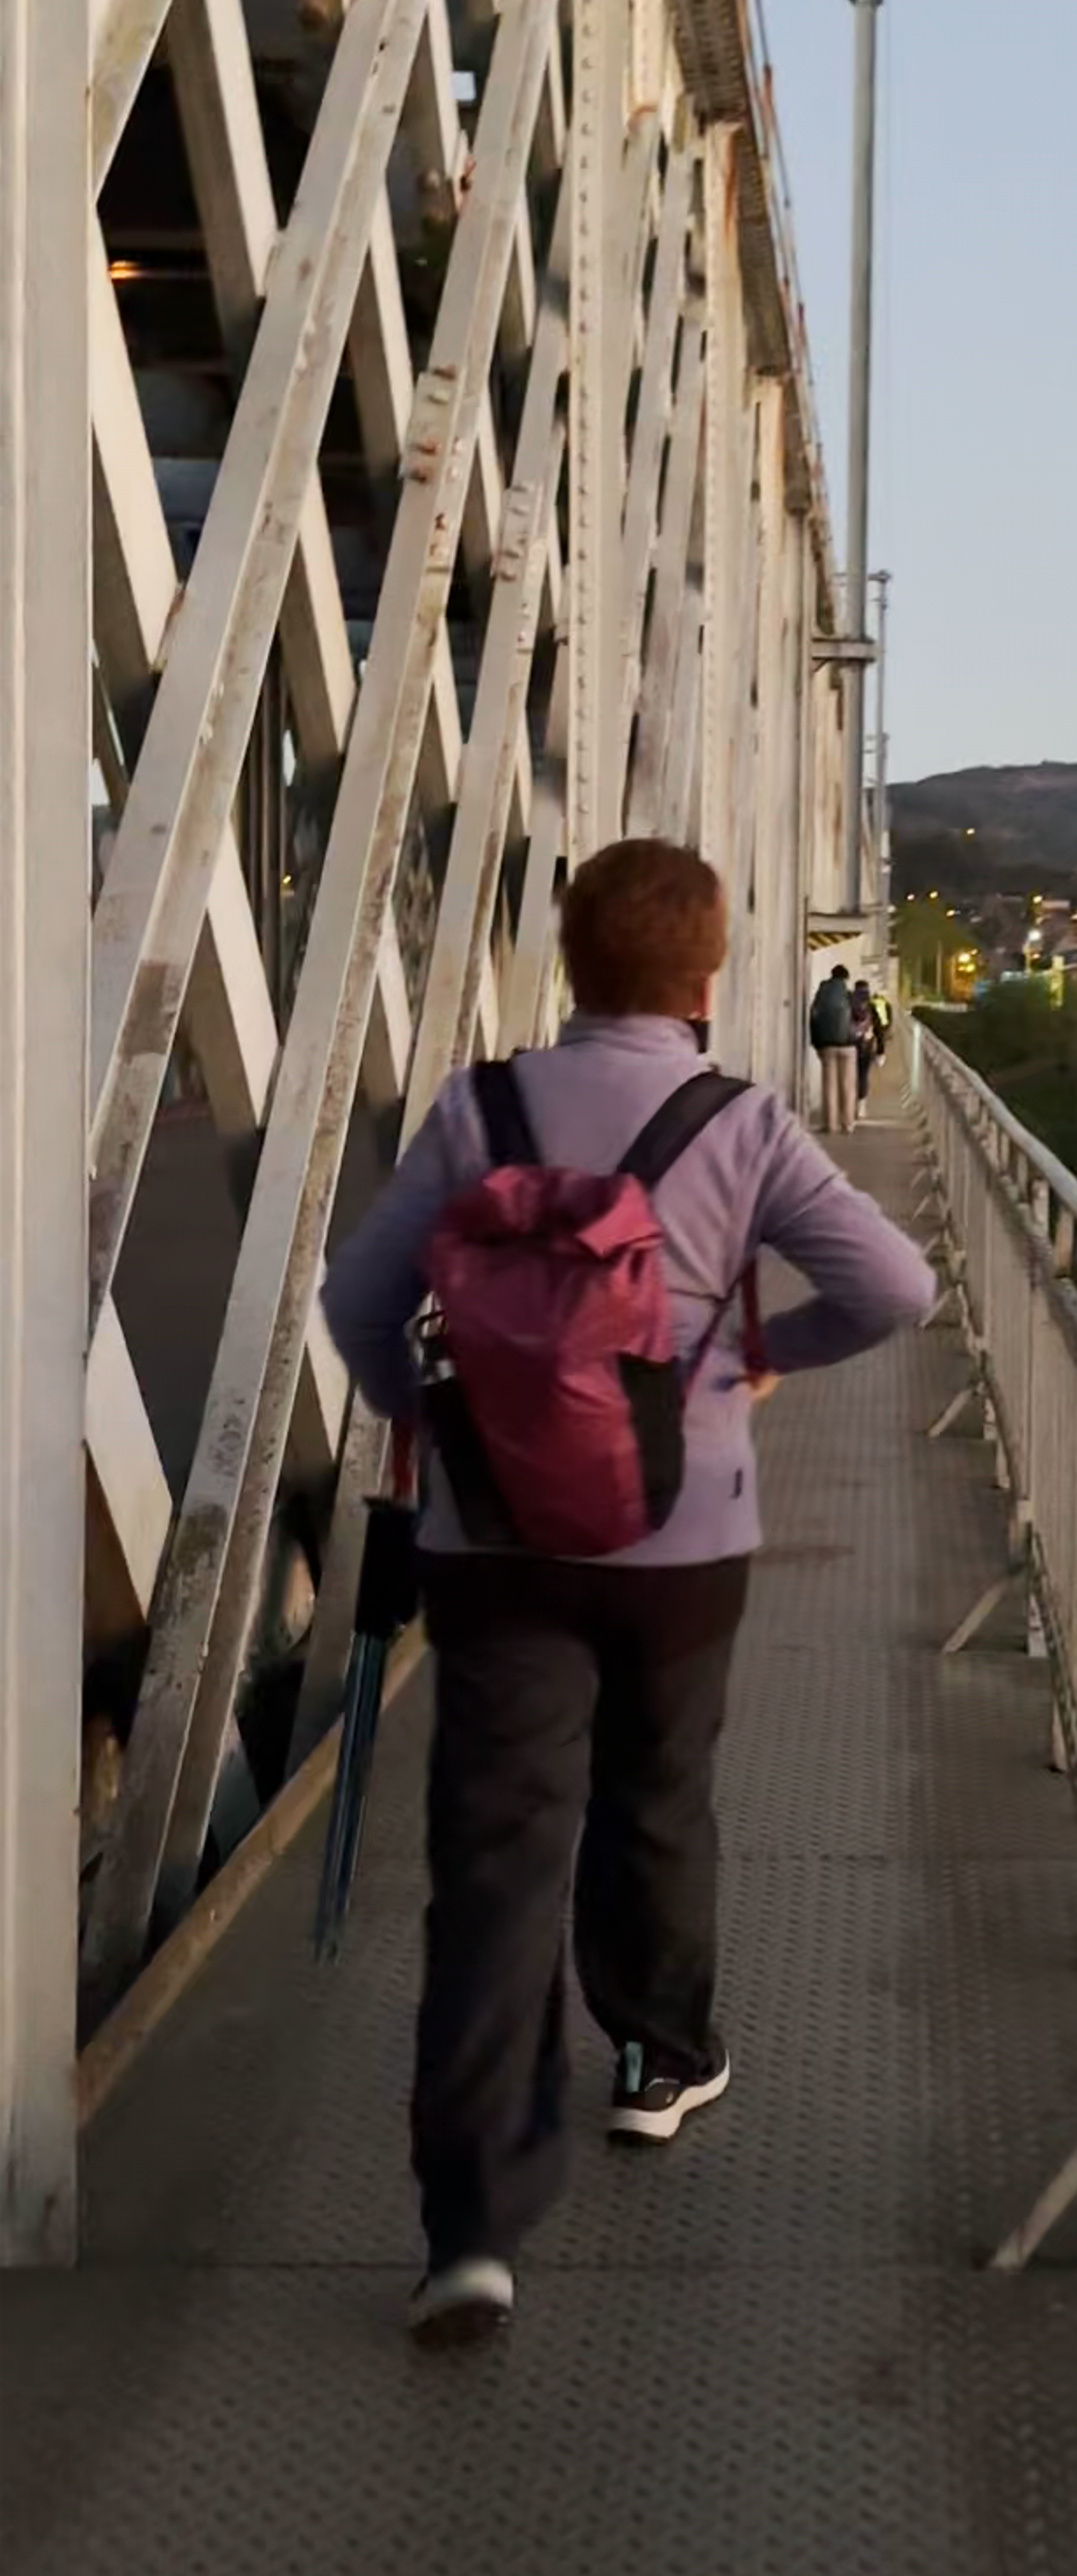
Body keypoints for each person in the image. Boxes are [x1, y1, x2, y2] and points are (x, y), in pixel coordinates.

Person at [322, 841, 935, 2344]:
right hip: (683, 1533)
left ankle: (468, 2230)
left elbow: (353, 1299)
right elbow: (897, 1288)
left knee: (495, 1852)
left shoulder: (481, 1107)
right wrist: (765, 1352)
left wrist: (434, 1420)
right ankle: (659, 2059)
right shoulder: (742, 1122)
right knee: (658, 1788)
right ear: (709, 974)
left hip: (492, 1539)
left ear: (569, 958)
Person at [809, 959, 857, 1134]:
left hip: (827, 1046)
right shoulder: (849, 995)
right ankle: (848, 1124)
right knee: (848, 1085)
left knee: (829, 1086)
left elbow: (813, 1018)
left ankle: (830, 1125)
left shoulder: (821, 994)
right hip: (848, 1045)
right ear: (846, 979)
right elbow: (858, 1017)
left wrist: (816, 1043)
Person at [849, 976, 880, 1115]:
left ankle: (848, 1106)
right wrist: (881, 1050)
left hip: (850, 1044)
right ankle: (861, 1107)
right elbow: (879, 1028)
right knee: (863, 1075)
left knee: (850, 1076)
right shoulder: (872, 1005)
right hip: (866, 1045)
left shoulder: (849, 1002)